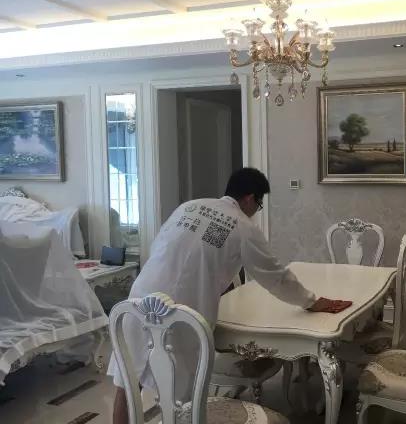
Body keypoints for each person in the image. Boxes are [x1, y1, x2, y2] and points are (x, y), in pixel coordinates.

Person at [109, 167, 343, 424]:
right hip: (181, 315)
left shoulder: (188, 207)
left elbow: (160, 247)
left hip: (138, 301)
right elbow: (275, 276)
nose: (256, 211)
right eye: (259, 205)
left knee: (126, 382)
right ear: (250, 198)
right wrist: (311, 301)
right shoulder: (243, 227)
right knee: (183, 395)